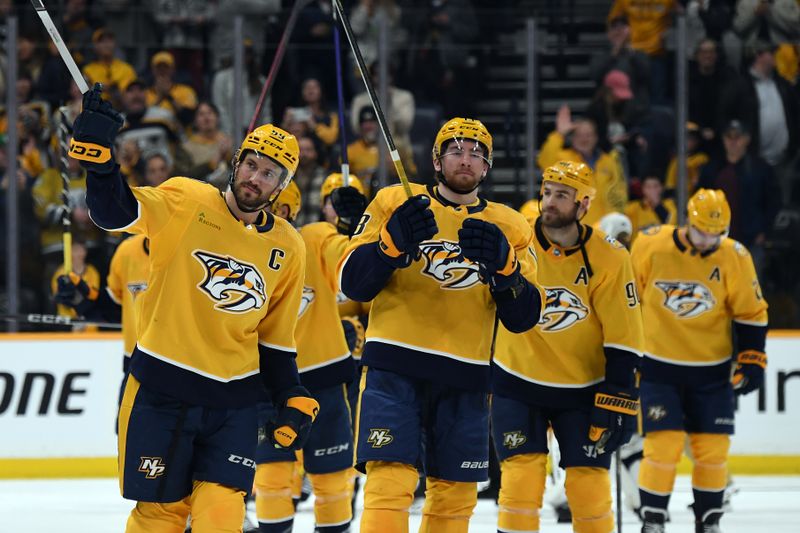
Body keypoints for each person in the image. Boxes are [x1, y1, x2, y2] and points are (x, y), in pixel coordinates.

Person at [68, 84, 318, 532]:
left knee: (223, 513)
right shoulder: (186, 198)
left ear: (282, 186)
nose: (254, 178)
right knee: (159, 516)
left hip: (235, 400)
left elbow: (276, 338)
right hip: (163, 387)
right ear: (237, 162)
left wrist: (290, 393)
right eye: (251, 165)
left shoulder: (289, 246)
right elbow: (114, 214)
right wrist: (101, 162)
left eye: (269, 174)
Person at [338, 117, 543, 532]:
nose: (466, 159)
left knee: (455, 496)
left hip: (465, 377)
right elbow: (351, 284)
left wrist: (506, 270)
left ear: (487, 167)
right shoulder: (396, 200)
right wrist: (389, 245)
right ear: (436, 160)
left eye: (476, 153)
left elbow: (525, 317)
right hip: (394, 367)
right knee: (389, 484)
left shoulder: (511, 226)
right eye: (456, 150)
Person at [491, 160, 645, 533]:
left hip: (582, 389)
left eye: (562, 195)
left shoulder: (610, 256)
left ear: (584, 204)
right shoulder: (516, 239)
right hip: (517, 379)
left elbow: (623, 334)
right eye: (546, 193)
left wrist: (619, 394)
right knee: (520, 485)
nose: (550, 202)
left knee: (589, 489)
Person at [632, 189, 768, 533]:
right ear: (688, 222)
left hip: (712, 371)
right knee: (663, 446)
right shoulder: (650, 244)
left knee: (713, 450)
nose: (709, 239)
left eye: (717, 233)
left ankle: (709, 519)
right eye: (702, 231)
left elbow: (750, 311)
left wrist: (752, 358)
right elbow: (626, 301)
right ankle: (652, 518)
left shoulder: (734, 255)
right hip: (657, 367)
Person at [254, 179, 367, 533]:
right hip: (266, 382)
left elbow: (352, 268)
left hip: (322, 378)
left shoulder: (317, 236)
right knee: (271, 480)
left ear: (286, 209)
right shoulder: (237, 245)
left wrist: (355, 229)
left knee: (332, 484)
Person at [538, 105, 628, 226]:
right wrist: (559, 134)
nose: (584, 139)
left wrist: (614, 219)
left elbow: (619, 191)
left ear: (596, 137)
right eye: (579, 135)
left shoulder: (608, 160)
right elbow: (544, 161)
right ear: (573, 138)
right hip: (574, 227)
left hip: (605, 227)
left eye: (588, 135)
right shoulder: (564, 158)